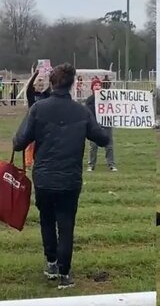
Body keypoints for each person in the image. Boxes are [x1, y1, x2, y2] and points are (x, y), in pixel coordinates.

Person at [12, 63, 109, 289]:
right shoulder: (82, 111)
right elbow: (103, 139)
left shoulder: (38, 109)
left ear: (52, 83)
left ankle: (52, 263)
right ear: (73, 84)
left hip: (44, 178)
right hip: (70, 180)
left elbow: (18, 144)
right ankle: (65, 274)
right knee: (66, 225)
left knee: (47, 220)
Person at [86, 79, 118, 171]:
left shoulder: (107, 99)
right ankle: (91, 165)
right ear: (92, 88)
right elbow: (89, 112)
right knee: (93, 146)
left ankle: (111, 164)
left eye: (99, 85)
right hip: (94, 125)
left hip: (106, 124)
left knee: (109, 145)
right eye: (95, 85)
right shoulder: (90, 100)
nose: (97, 87)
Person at [25, 70, 52, 168]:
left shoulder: (45, 95)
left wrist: (50, 75)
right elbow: (29, 87)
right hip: (32, 121)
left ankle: (39, 160)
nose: (40, 87)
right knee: (30, 144)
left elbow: (50, 88)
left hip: (43, 122)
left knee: (41, 143)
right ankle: (28, 163)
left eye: (41, 86)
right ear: (35, 86)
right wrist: (35, 75)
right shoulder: (31, 95)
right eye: (38, 85)